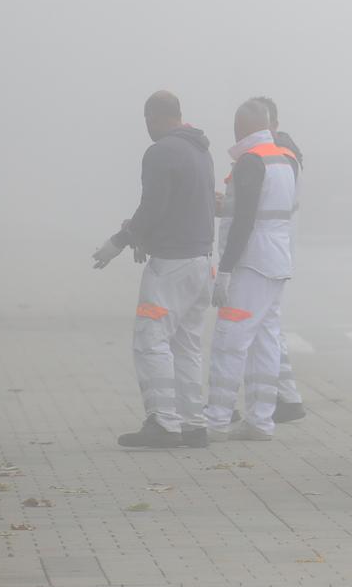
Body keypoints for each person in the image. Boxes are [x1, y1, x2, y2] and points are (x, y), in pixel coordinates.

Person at [92, 91, 215, 449]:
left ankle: (163, 421)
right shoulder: (201, 150)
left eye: (147, 121)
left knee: (150, 340)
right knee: (187, 345)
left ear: (153, 118)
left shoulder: (160, 152)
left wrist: (121, 239)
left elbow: (154, 206)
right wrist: (143, 234)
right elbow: (178, 206)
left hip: (172, 266)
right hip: (200, 263)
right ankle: (194, 424)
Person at [204, 98, 299, 440]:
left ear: (241, 128)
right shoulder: (286, 159)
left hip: (250, 263)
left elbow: (244, 221)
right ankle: (260, 420)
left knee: (230, 341)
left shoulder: (250, 161)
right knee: (265, 341)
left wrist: (225, 270)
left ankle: (214, 419)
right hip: (276, 261)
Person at [254, 96, 307, 423]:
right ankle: (285, 395)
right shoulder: (281, 154)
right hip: (273, 249)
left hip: (269, 251)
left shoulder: (278, 157)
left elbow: (265, 205)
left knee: (259, 324)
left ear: (274, 124)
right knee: (267, 323)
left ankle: (283, 397)